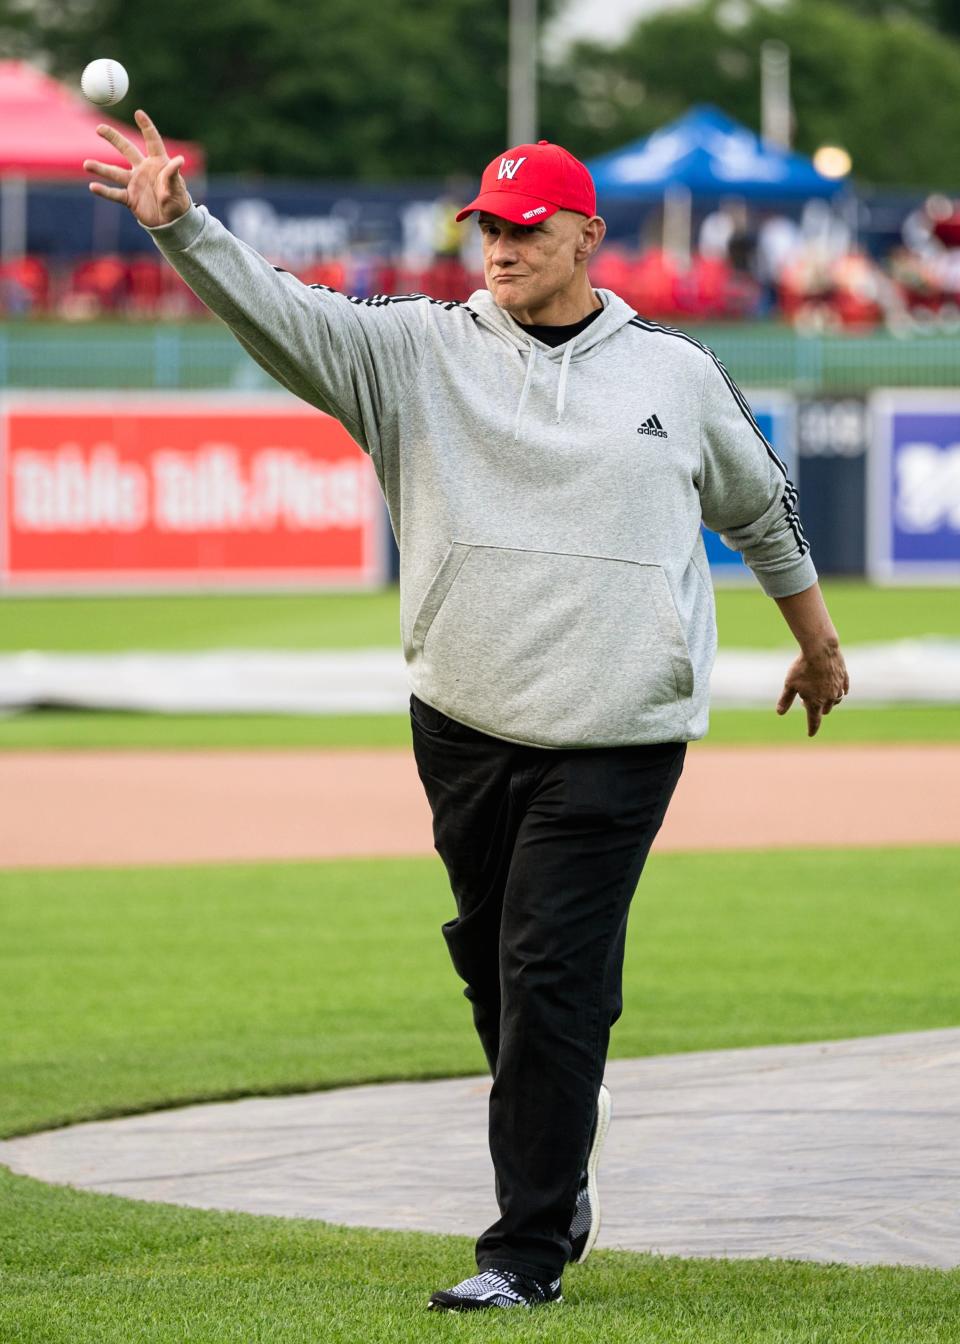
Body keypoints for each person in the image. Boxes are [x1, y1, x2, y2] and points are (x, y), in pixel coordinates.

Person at [85, 114, 849, 1313]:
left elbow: (762, 506)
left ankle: (525, 1252)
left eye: (526, 225)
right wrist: (183, 228)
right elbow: (289, 315)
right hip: (464, 714)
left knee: (549, 971)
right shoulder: (416, 352)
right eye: (486, 224)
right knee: (501, 969)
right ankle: (562, 1132)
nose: (499, 243)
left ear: (588, 235)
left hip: (618, 730)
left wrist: (816, 640)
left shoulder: (676, 373)